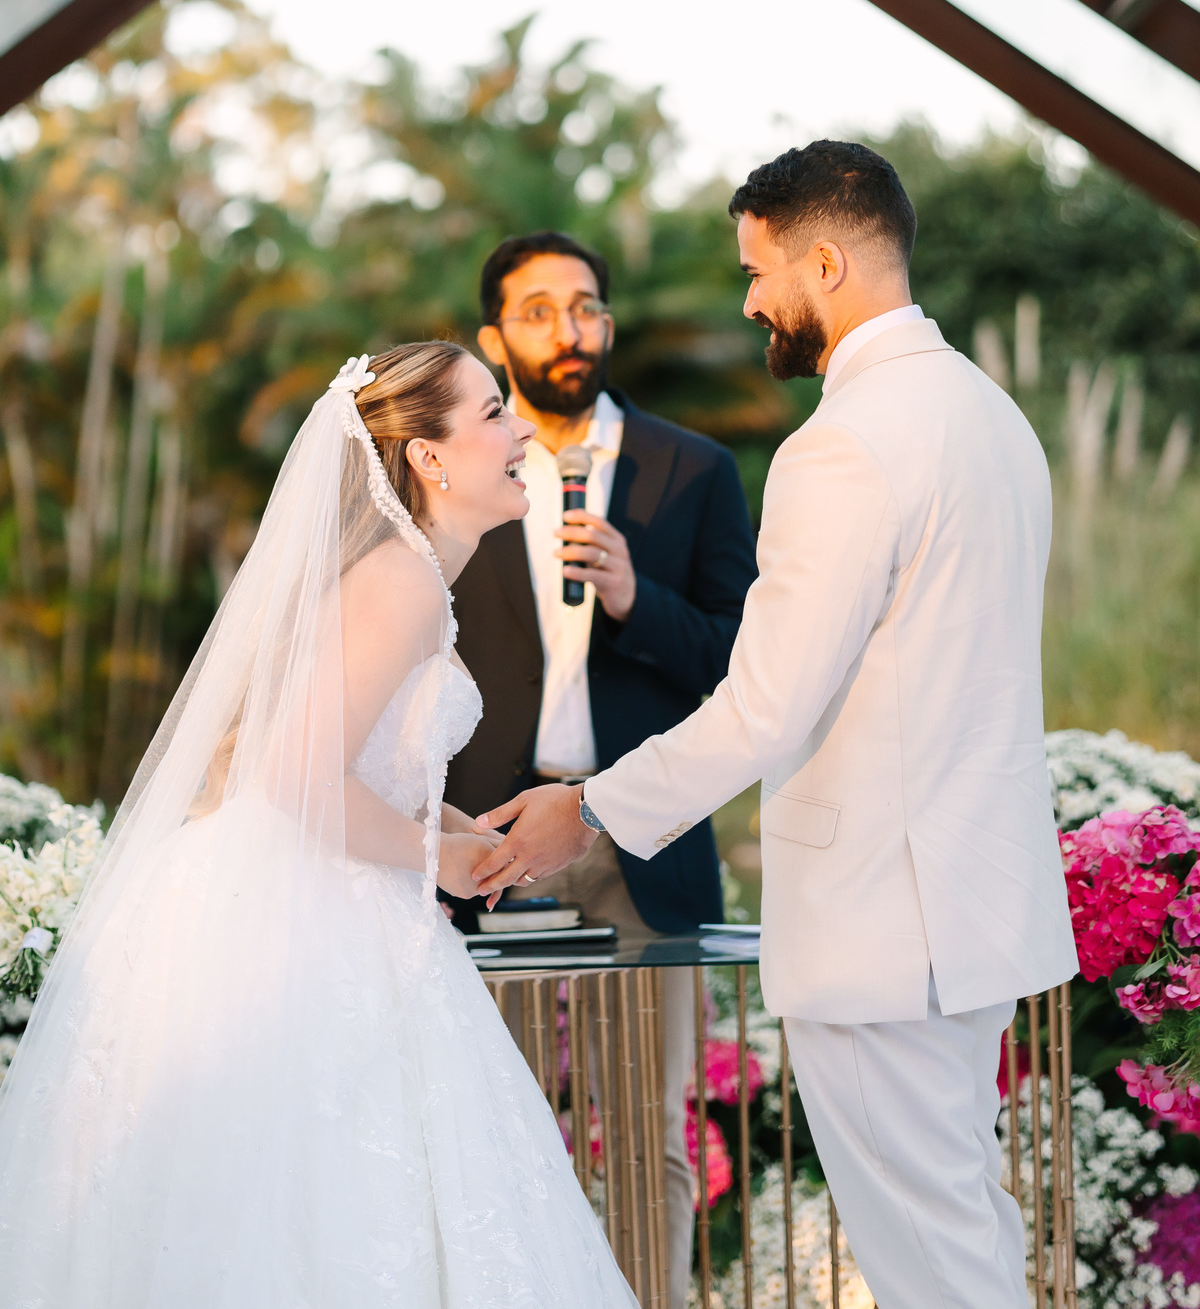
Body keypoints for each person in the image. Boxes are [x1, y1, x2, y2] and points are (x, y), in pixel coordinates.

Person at [472, 142, 1079, 1309]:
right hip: (974, 911)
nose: (749, 301)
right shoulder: (991, 416)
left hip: (883, 930)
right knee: (965, 1228)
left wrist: (590, 808)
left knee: (930, 1261)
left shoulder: (840, 445)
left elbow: (764, 703)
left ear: (828, 260)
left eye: (760, 273)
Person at [0, 343, 638, 1309]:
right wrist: (442, 860)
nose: (519, 435)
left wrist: (464, 830)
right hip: (296, 929)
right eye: (494, 413)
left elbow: (357, 763)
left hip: (305, 894)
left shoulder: (407, 572)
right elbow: (296, 777)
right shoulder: (405, 581)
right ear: (429, 458)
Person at [445, 229, 757, 1309]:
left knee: (648, 1139)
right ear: (494, 338)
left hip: (638, 842)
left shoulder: (694, 471)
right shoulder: (456, 476)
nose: (568, 329)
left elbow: (744, 664)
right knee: (500, 1132)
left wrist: (641, 602)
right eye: (538, 310)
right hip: (493, 846)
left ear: (608, 323)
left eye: (586, 307)